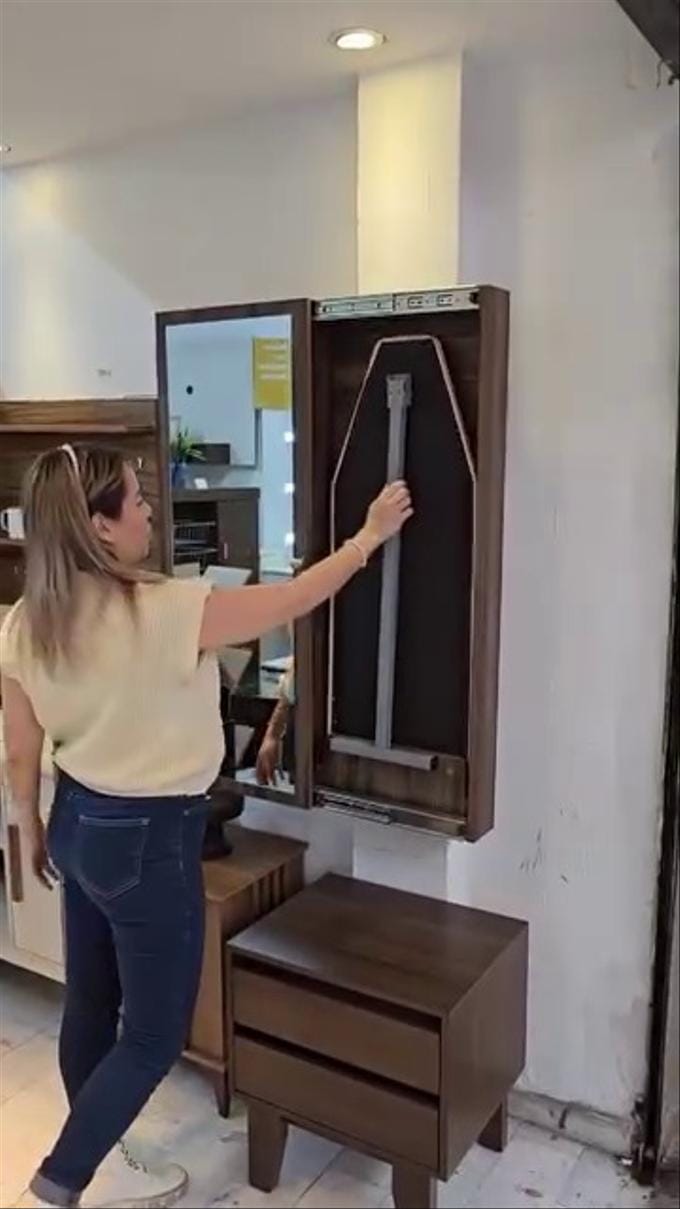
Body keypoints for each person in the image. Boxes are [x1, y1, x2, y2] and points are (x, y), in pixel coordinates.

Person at [0, 443, 412, 1209]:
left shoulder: (27, 619)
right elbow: (296, 598)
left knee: (90, 1001)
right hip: (147, 839)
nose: (150, 511)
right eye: (137, 499)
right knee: (153, 1036)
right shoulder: (168, 609)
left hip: (76, 822)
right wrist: (368, 536)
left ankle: (102, 1151)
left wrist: (27, 824)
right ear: (100, 525)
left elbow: (21, 746)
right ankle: (58, 1182)